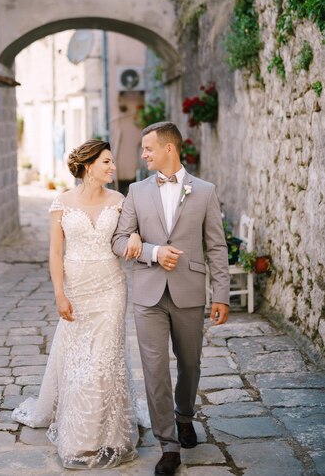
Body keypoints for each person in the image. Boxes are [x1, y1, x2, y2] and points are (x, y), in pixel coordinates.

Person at [12, 139, 142, 470]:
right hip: (77, 290)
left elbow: (129, 235)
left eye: (113, 162)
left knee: (104, 362)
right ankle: (80, 430)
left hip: (111, 289)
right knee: (78, 362)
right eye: (107, 162)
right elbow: (55, 253)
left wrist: (137, 237)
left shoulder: (120, 201)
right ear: (88, 166)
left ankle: (104, 436)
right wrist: (60, 294)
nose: (113, 167)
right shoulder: (62, 204)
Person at [112, 122, 230, 476]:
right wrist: (151, 251)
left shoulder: (205, 191)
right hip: (148, 294)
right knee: (154, 369)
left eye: (148, 148)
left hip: (189, 290)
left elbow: (216, 246)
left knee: (190, 364)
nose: (143, 154)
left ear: (169, 149)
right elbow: (119, 240)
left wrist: (220, 294)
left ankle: (183, 417)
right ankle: (169, 445)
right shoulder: (136, 191)